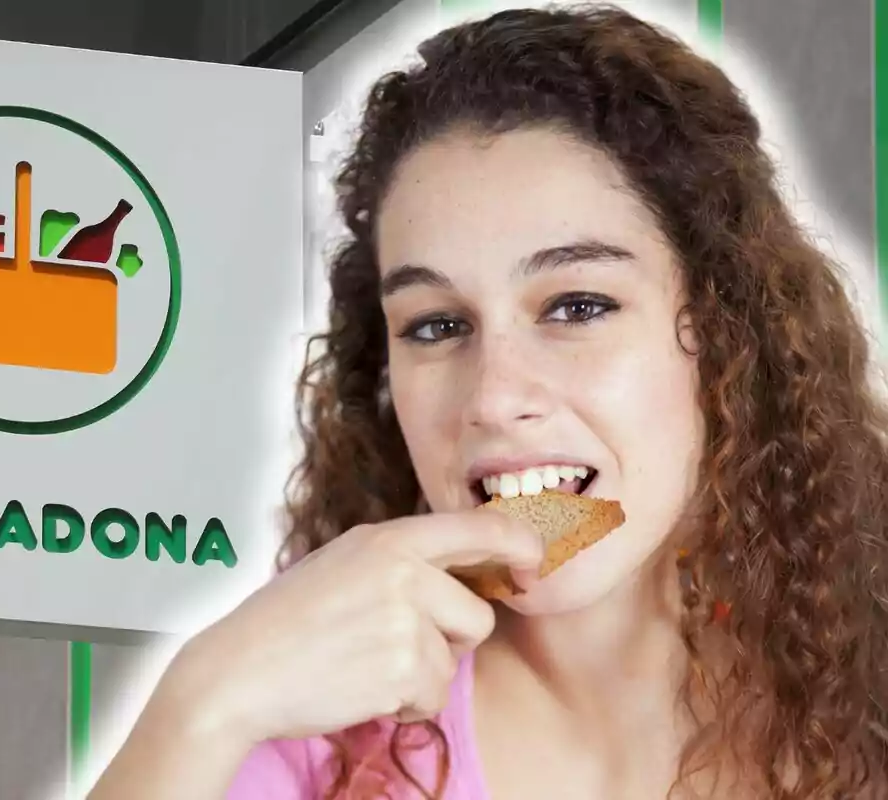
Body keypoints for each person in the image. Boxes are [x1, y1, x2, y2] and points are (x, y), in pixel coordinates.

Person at [88, 5, 888, 798]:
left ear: (722, 331)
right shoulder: (307, 737)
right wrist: (202, 706)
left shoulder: (866, 696)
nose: (495, 398)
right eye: (436, 325)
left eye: (577, 306)